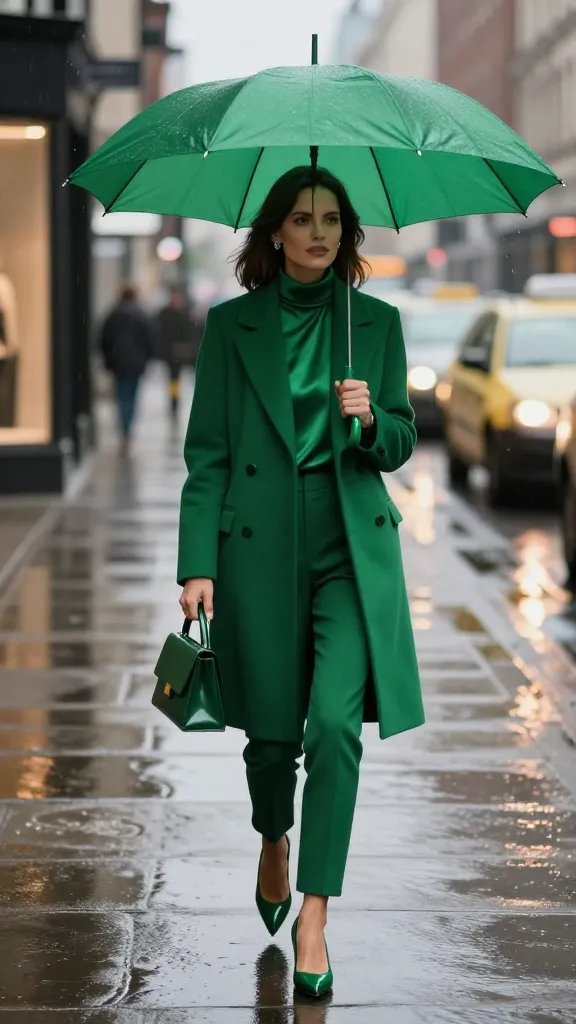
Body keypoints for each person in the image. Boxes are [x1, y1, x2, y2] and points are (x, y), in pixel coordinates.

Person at [177, 166, 424, 998]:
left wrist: (368, 420)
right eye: (301, 218)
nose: (317, 232)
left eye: (330, 219)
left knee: (333, 730)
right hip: (258, 549)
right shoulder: (231, 327)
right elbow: (208, 453)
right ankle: (274, 837)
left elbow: (399, 441)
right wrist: (198, 565)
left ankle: (316, 912)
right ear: (274, 233)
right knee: (274, 738)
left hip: (349, 551)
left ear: (345, 232)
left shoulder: (377, 326)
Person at [99, 282, 156, 454]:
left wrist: (108, 359)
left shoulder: (113, 314)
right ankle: (127, 429)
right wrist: (147, 359)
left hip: (118, 363)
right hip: (135, 364)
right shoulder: (141, 315)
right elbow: (150, 339)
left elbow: (103, 339)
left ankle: (124, 429)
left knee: (122, 396)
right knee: (131, 396)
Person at [156, 286, 202, 422]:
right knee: (174, 381)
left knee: (195, 379)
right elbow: (160, 333)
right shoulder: (165, 313)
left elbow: (194, 331)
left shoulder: (188, 312)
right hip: (172, 355)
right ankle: (174, 406)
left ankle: (196, 405)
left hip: (188, 353)